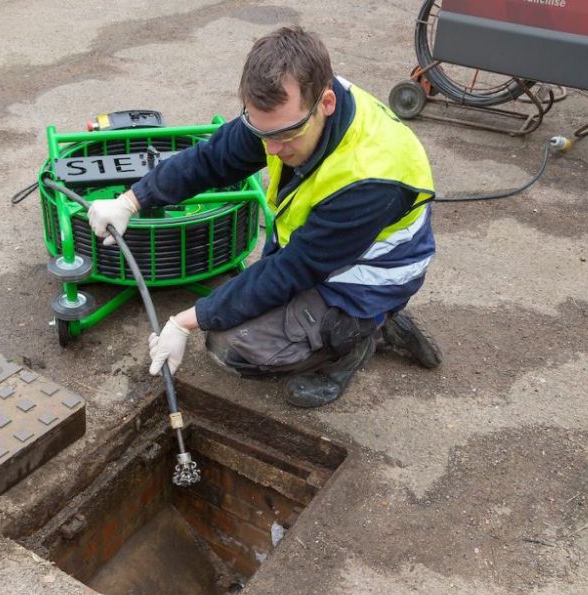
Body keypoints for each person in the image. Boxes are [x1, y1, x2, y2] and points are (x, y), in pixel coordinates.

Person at [88, 26, 441, 407]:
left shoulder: (372, 177)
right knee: (240, 309)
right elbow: (213, 158)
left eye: (286, 134)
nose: (271, 148)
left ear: (326, 103)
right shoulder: (291, 106)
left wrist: (184, 321)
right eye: (261, 132)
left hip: (371, 274)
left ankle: (361, 334)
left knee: (233, 348)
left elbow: (291, 271)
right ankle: (355, 324)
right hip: (317, 249)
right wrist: (131, 200)